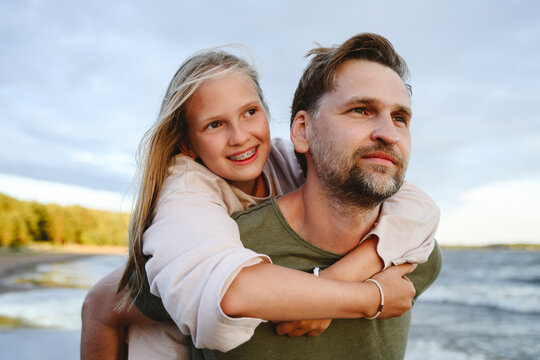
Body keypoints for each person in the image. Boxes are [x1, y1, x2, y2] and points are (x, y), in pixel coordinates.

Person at [81, 42, 439, 359]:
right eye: (214, 125)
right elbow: (106, 302)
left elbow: (416, 206)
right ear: (188, 144)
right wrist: (370, 298)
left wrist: (337, 278)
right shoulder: (186, 190)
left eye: (250, 112)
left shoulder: (281, 158)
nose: (240, 137)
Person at [188, 32, 443, 359]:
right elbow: (110, 311)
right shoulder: (226, 247)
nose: (389, 134)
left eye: (400, 118)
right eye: (361, 110)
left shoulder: (418, 254)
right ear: (302, 131)